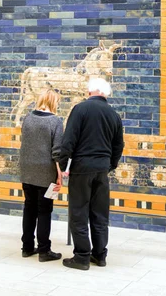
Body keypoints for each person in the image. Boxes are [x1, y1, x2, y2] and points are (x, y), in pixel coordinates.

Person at [59, 77, 124, 271]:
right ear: (105, 93)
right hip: (102, 169)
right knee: (100, 213)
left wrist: (64, 165)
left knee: (79, 212)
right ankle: (100, 255)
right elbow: (118, 145)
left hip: (81, 168)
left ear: (90, 91)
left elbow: (69, 140)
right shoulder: (114, 115)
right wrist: (110, 165)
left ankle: (81, 256)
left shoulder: (80, 109)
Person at [19, 88, 64, 262]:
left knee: (29, 208)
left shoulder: (28, 118)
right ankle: (44, 250)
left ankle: (27, 247)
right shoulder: (55, 121)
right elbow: (57, 152)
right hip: (46, 171)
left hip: (27, 170)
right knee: (44, 211)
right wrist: (59, 175)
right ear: (53, 102)